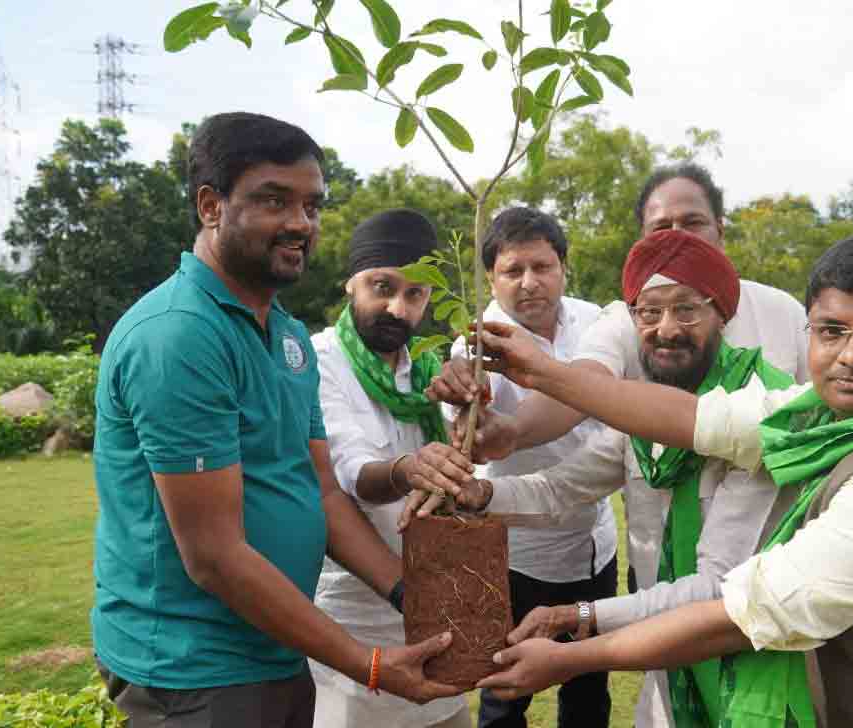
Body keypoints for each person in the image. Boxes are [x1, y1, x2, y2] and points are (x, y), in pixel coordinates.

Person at [431, 232, 853, 727]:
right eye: (833, 331)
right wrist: (531, 378)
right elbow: (695, 422)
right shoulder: (816, 415)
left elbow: (745, 609)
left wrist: (576, 647)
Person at [91, 113, 460, 728]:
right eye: (273, 200)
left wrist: (407, 594)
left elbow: (320, 491)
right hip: (196, 668)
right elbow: (213, 555)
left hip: (277, 643)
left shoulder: (285, 335)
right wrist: (364, 662)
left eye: (312, 205)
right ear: (211, 206)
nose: (300, 223)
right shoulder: (180, 336)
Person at [428, 163, 810, 727]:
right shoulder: (641, 400)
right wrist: (479, 494)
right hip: (659, 621)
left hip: (747, 644)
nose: (666, 329)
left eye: (687, 309)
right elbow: (570, 482)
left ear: (722, 313)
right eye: (649, 314)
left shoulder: (755, 410)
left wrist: (578, 618)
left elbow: (713, 589)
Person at [446, 207, 619, 728]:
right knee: (505, 690)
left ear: (564, 267)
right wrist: (467, 417)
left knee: (589, 684)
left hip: (595, 546)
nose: (529, 283)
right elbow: (471, 435)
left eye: (542, 267)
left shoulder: (599, 324)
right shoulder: (475, 349)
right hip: (514, 552)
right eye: (512, 271)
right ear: (490, 278)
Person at [309, 208, 475, 728]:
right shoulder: (319, 362)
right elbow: (351, 474)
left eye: (414, 295)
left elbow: (470, 464)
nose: (396, 308)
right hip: (353, 625)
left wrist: (472, 411)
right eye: (382, 287)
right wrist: (407, 469)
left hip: (436, 609)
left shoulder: (429, 368)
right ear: (350, 285)